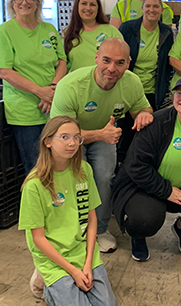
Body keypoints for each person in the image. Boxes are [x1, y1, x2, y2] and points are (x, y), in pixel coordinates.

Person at [51, 38, 154, 254]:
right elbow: (60, 133)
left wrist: (144, 116)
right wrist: (100, 134)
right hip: (69, 139)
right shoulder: (70, 85)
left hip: (103, 137)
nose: (111, 68)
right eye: (106, 60)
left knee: (104, 177)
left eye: (119, 63)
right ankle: (72, 231)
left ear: (128, 63)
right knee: (76, 179)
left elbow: (143, 109)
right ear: (96, 58)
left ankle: (101, 229)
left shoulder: (132, 82)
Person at [112, 76, 181, 260]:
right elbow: (136, 165)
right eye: (179, 93)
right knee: (146, 218)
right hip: (147, 188)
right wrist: (166, 191)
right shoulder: (155, 123)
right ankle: (138, 236)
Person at [19, 115, 119, 306]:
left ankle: (62, 287)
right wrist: (73, 271)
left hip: (81, 250)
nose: (72, 143)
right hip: (54, 257)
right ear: (47, 141)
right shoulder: (35, 185)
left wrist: (88, 262)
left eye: (76, 137)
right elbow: (38, 238)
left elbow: (92, 219)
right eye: (64, 137)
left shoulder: (83, 170)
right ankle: (46, 285)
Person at [0, 0, 69, 173]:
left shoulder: (49, 30)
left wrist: (52, 88)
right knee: (36, 167)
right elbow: (5, 71)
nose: (24, 2)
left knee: (60, 162)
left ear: (37, 3)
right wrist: (40, 92)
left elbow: (61, 61)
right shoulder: (5, 32)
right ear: (12, 3)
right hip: (25, 110)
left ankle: (60, 201)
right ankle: (37, 203)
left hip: (54, 105)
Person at [117, 0, 177, 180]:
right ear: (142, 8)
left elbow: (167, 64)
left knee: (146, 137)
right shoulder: (128, 28)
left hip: (152, 93)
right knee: (125, 136)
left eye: (156, 7)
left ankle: (143, 176)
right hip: (127, 91)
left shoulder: (166, 33)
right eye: (148, 6)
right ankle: (121, 178)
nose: (152, 10)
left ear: (161, 10)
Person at [65, 0, 124, 73]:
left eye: (92, 4)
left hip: (105, 83)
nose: (88, 8)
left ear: (98, 8)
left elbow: (122, 62)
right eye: (84, 3)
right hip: (76, 84)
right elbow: (63, 65)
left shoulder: (111, 32)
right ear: (77, 6)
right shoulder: (68, 33)